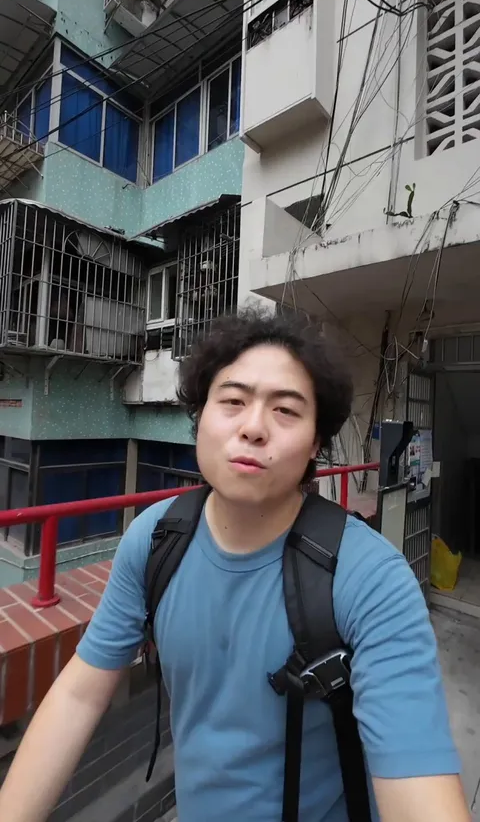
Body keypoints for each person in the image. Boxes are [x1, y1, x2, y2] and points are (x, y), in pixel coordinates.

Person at [0, 307, 470, 822]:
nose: (253, 427)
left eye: (286, 411)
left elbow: (418, 781)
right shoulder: (154, 539)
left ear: (315, 443)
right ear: (200, 417)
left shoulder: (369, 578)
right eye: (232, 401)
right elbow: (78, 695)